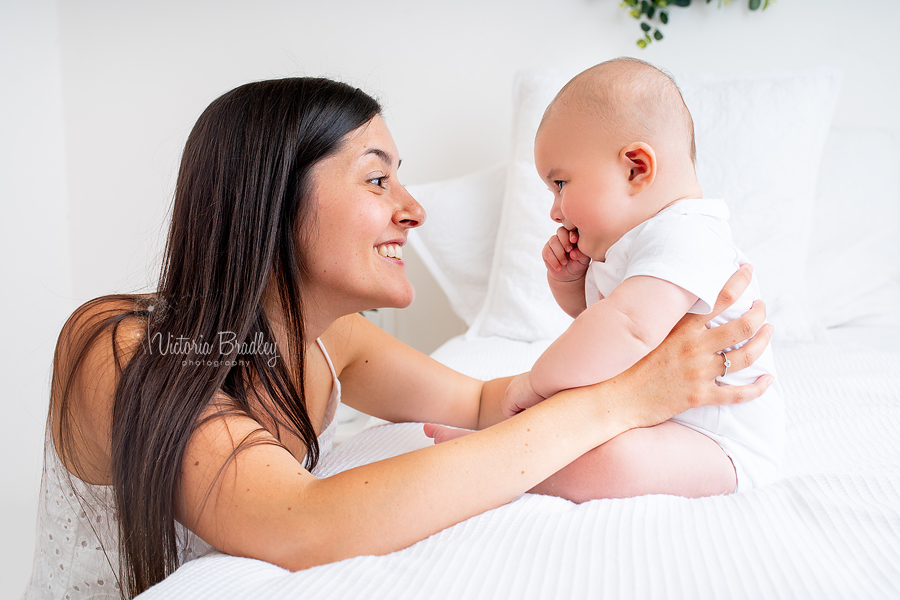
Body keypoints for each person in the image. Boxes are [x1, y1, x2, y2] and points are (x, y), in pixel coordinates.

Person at [23, 77, 773, 600]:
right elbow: (301, 524)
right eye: (377, 181)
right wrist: (624, 401)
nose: (413, 210)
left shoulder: (335, 343)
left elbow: (486, 399)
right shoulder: (116, 345)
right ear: (272, 201)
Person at [430, 58, 782, 501]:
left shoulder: (689, 233)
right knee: (574, 410)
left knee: (611, 458)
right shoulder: (633, 245)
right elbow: (600, 324)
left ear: (636, 168)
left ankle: (500, 463)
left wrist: (537, 382)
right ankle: (509, 451)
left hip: (719, 443)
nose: (554, 211)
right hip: (649, 408)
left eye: (560, 183)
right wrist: (571, 285)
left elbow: (628, 330)